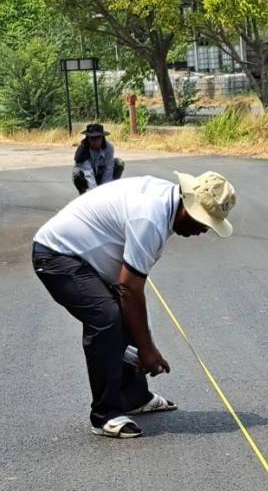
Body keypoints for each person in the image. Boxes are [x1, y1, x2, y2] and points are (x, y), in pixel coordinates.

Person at [32, 171, 237, 439]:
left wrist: (143, 341)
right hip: (57, 255)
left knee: (128, 316)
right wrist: (147, 349)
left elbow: (129, 290)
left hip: (87, 260)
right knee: (106, 318)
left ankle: (134, 397)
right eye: (202, 220)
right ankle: (104, 415)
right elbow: (129, 288)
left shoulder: (167, 203)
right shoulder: (150, 217)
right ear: (187, 204)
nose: (203, 229)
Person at [72, 123, 126, 194]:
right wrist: (95, 194)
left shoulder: (109, 148)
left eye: (98, 138)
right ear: (88, 139)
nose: (95, 141)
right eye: (92, 138)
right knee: (77, 174)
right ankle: (84, 194)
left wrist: (105, 191)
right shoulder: (82, 152)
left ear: (102, 138)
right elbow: (89, 174)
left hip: (100, 174)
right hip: (87, 177)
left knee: (119, 163)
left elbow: (108, 170)